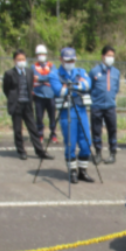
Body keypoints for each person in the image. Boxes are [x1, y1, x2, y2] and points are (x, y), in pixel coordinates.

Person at [49, 47, 95, 183]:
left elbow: (88, 84)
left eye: (73, 59)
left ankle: (83, 170)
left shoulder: (80, 71)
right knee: (70, 143)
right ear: (61, 59)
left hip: (81, 110)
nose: (71, 62)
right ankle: (72, 171)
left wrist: (71, 86)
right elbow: (59, 91)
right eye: (68, 60)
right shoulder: (54, 74)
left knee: (86, 142)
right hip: (66, 111)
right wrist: (78, 85)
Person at [2, 49, 54, 161]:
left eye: (23, 59)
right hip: (16, 105)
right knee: (17, 129)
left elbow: (31, 86)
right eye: (18, 59)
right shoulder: (9, 74)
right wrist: (13, 99)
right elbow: (6, 89)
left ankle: (40, 151)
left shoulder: (29, 72)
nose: (21, 61)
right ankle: (21, 151)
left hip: (28, 104)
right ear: (14, 60)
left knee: (33, 128)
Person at [89, 45, 120, 165]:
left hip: (110, 106)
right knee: (96, 130)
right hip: (96, 106)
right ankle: (98, 153)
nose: (110, 58)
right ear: (102, 56)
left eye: (112, 56)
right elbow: (89, 88)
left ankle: (113, 153)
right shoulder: (94, 71)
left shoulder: (116, 72)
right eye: (108, 56)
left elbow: (116, 88)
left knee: (112, 130)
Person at [32, 44, 58, 145]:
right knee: (39, 116)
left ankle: (53, 134)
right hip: (38, 95)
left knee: (52, 116)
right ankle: (40, 134)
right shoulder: (33, 66)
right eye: (39, 54)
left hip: (51, 95)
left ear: (46, 54)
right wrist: (44, 78)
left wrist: (40, 79)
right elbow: (33, 78)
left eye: (43, 54)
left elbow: (52, 77)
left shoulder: (52, 66)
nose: (41, 56)